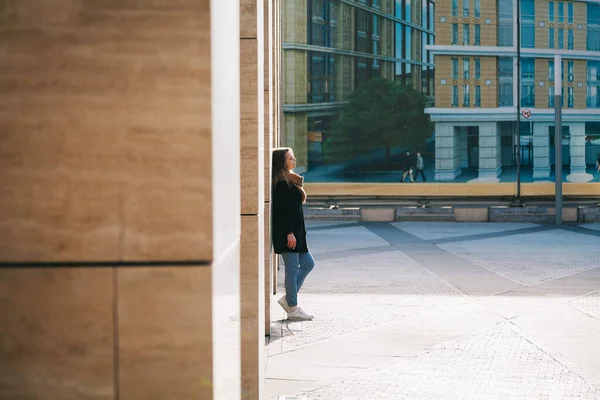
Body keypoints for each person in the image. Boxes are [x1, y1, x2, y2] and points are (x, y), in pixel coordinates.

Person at [272, 147, 315, 321]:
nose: (294, 160)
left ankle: (289, 299)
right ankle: (293, 307)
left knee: (308, 263)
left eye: (293, 157)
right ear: (282, 162)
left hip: (297, 232)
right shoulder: (282, 183)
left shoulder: (290, 180)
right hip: (288, 233)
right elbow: (284, 211)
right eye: (290, 158)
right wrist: (289, 232)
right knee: (292, 268)